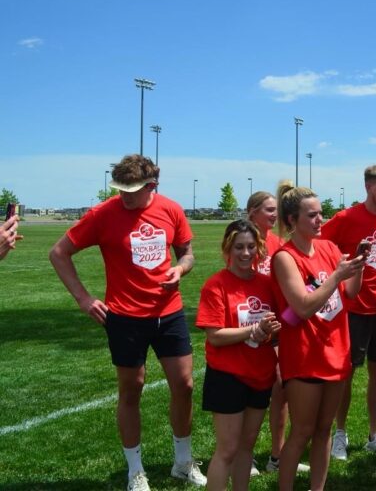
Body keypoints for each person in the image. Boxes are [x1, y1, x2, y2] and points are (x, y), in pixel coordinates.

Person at [48, 154, 205, 491]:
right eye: (119, 189)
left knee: (185, 385)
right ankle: (135, 470)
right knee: (131, 389)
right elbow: (58, 253)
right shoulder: (102, 214)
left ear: (152, 185)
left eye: (131, 190)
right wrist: (83, 298)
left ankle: (183, 462)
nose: (124, 196)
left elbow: (188, 253)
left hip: (169, 313)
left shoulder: (171, 209)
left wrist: (181, 269)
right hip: (124, 317)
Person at [271, 181, 367, 491]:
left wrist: (358, 266)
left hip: (337, 352)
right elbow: (302, 306)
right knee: (302, 432)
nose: (320, 220)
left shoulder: (328, 248)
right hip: (304, 355)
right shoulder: (285, 258)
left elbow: (350, 292)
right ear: (291, 221)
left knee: (324, 430)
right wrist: (338, 274)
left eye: (320, 213)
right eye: (311, 215)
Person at [196, 220, 281, 491]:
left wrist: (268, 330)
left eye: (250, 247)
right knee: (227, 450)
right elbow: (215, 335)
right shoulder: (216, 285)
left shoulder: (267, 284)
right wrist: (252, 331)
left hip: (261, 374)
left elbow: (279, 323)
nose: (246, 253)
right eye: (239, 247)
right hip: (228, 375)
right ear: (228, 249)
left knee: (247, 447)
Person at [321, 165, 376, 461]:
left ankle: (375, 435)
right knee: (346, 374)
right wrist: (343, 265)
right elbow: (320, 245)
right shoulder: (346, 217)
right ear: (367, 187)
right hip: (351, 308)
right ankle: (340, 434)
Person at [246, 191, 309, 476]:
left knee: (281, 389)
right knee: (250, 390)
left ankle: (276, 455)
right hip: (250, 321)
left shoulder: (277, 243)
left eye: (275, 210)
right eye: (268, 210)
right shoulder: (243, 240)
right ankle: (242, 455)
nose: (273, 215)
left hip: (277, 320)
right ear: (252, 211)